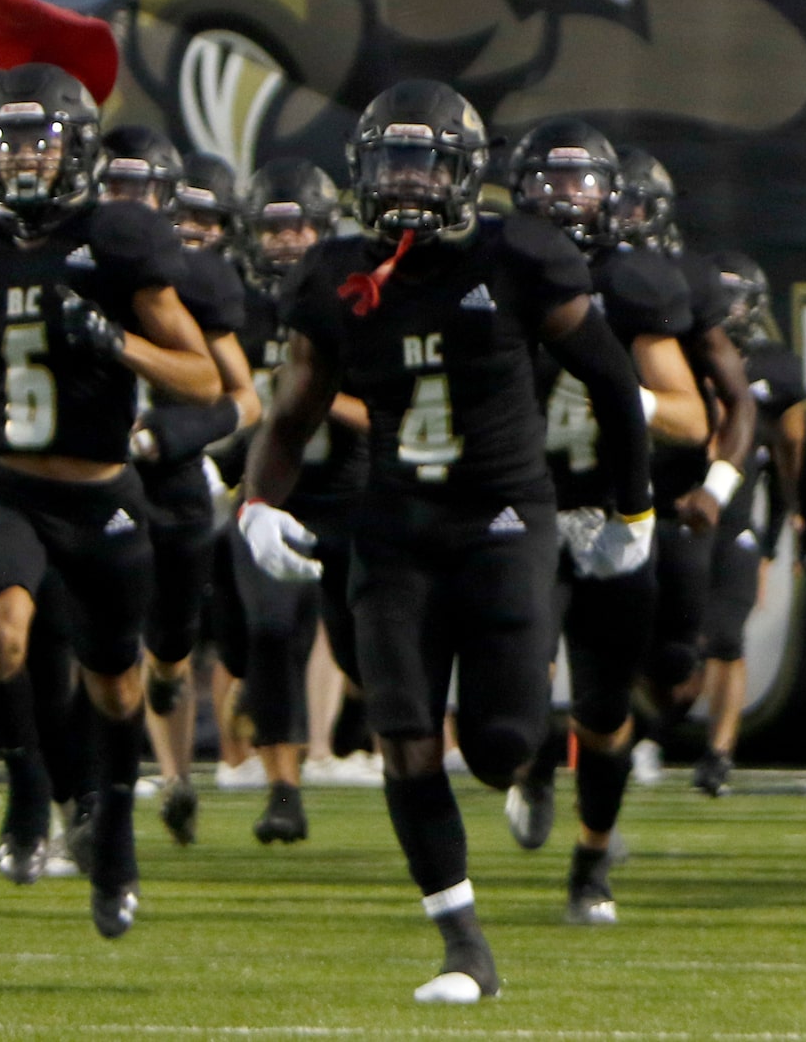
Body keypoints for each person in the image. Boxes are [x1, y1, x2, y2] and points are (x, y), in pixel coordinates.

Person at [242, 81, 653, 1002]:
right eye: (390, 162)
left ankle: (531, 769)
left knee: (502, 740)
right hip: (397, 527)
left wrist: (634, 514)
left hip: (505, 518)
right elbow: (295, 403)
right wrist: (257, 503)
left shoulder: (519, 258)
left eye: (424, 162)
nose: (406, 183)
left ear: (465, 173)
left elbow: (615, 388)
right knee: (407, 737)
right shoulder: (338, 275)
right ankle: (463, 946)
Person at [0, 63, 222, 939]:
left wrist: (115, 342)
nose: (24, 161)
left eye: (40, 142)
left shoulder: (119, 240)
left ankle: (114, 842)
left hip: (101, 494)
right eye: (8, 142)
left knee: (116, 689)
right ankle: (27, 787)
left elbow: (200, 375)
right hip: (6, 481)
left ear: (78, 150)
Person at [501, 118, 709, 921]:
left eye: (578, 181)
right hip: (519, 511)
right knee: (514, 691)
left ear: (609, 195)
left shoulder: (634, 284)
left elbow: (691, 420)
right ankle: (528, 761)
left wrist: (623, 389)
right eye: (549, 181)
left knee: (606, 708)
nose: (563, 197)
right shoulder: (497, 268)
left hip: (611, 513)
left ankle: (590, 863)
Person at [93, 128, 262, 848]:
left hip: (173, 480)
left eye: (142, 188)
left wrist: (170, 435)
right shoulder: (67, 259)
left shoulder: (193, 277)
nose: (128, 202)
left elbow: (243, 398)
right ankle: (159, 780)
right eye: (117, 186)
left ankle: (164, 704)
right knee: (96, 637)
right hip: (92, 477)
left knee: (171, 644)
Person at [226, 157, 369, 839]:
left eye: (300, 227)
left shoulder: (357, 298)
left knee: (360, 647)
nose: (286, 241)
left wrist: (307, 393)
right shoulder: (235, 307)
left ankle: (391, 742)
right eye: (274, 228)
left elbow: (384, 408)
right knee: (270, 631)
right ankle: (283, 789)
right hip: (269, 498)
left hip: (349, 495)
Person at [609, 148, 757, 791]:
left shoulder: (682, 281)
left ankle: (653, 733)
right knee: (599, 633)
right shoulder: (567, 271)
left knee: (673, 666)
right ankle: (592, 759)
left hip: (677, 487)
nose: (624, 216)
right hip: (596, 484)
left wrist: (717, 486)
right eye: (616, 201)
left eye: (636, 204)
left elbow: (736, 400)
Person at [691, 250, 806, 793]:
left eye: (738, 297)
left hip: (735, 520)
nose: (731, 309)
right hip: (676, 514)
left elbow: (790, 456)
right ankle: (654, 730)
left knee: (726, 636)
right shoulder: (679, 353)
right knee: (672, 648)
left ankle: (719, 754)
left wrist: (774, 542)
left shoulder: (773, 369)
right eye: (723, 296)